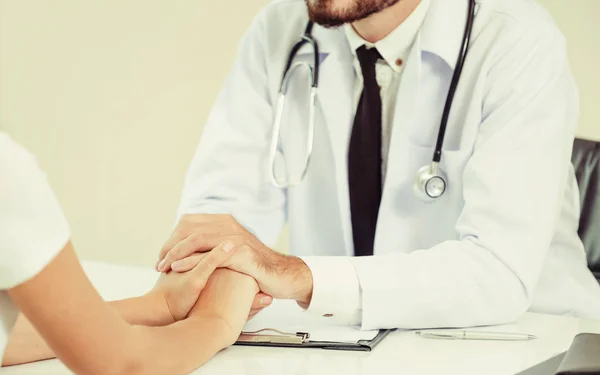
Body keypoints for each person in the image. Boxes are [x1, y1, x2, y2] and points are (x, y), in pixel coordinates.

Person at [155, 0, 600, 330]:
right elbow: (220, 217)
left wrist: (296, 275)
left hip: (523, 344)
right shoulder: (280, 29)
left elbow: (498, 272)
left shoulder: (516, 39)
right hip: (347, 344)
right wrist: (218, 268)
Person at [0, 133, 258, 375]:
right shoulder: (8, 174)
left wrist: (157, 307)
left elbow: (8, 337)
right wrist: (215, 322)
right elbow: (118, 365)